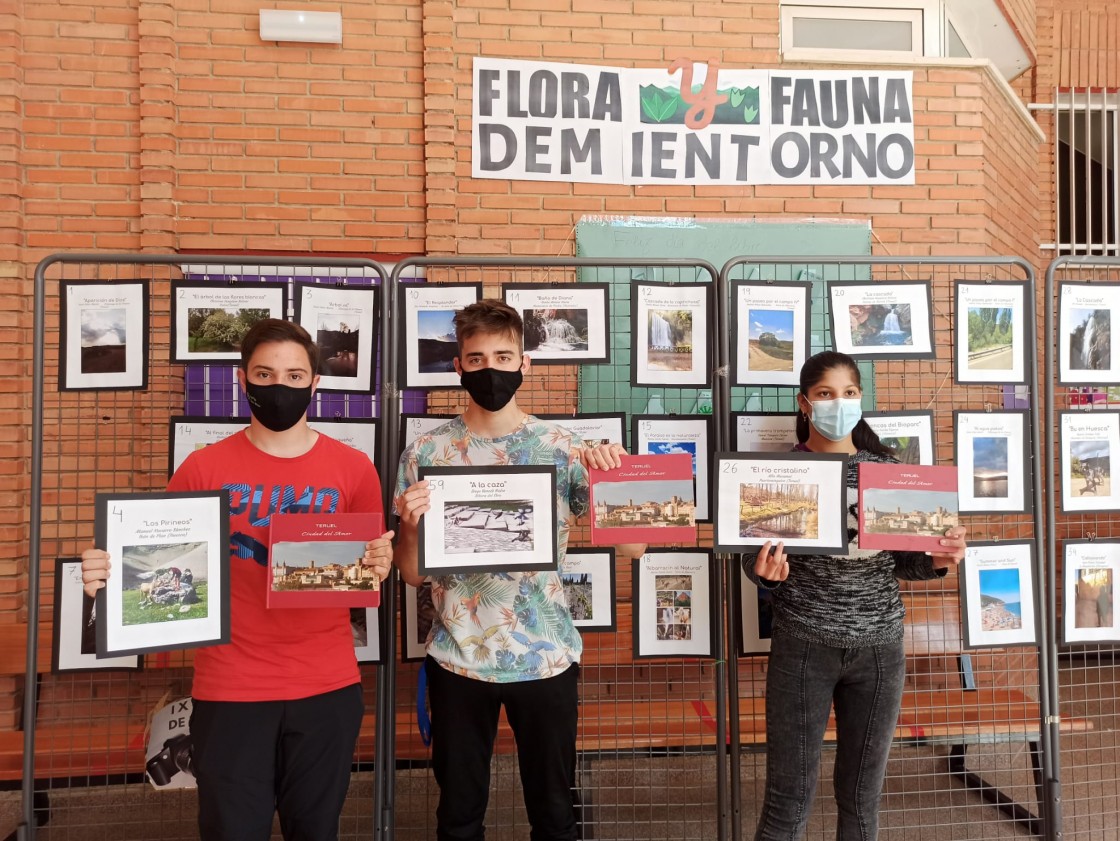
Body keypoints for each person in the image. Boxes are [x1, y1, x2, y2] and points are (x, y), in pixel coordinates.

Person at [80, 319, 395, 841]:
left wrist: (378, 566)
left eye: (295, 375)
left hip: (327, 687)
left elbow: (368, 569)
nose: (281, 386)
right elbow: (159, 558)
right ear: (242, 380)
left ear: (316, 383)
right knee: (232, 831)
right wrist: (108, 578)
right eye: (266, 373)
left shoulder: (354, 469)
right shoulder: (203, 468)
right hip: (231, 689)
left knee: (316, 831)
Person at [394, 300, 643, 841]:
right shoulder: (425, 452)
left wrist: (615, 481)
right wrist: (410, 526)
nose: (491, 369)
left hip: (545, 657)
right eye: (477, 358)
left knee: (555, 813)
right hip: (458, 659)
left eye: (503, 356)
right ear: (458, 366)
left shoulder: (564, 448)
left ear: (525, 363)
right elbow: (412, 574)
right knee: (458, 814)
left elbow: (634, 548)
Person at [748, 350, 967, 841]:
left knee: (862, 802)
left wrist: (938, 558)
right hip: (803, 647)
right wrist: (765, 574)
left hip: (880, 650)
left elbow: (902, 561)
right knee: (787, 803)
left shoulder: (887, 472)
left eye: (848, 394)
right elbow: (754, 558)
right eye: (825, 394)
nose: (838, 403)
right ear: (804, 403)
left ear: (861, 400)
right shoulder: (779, 474)